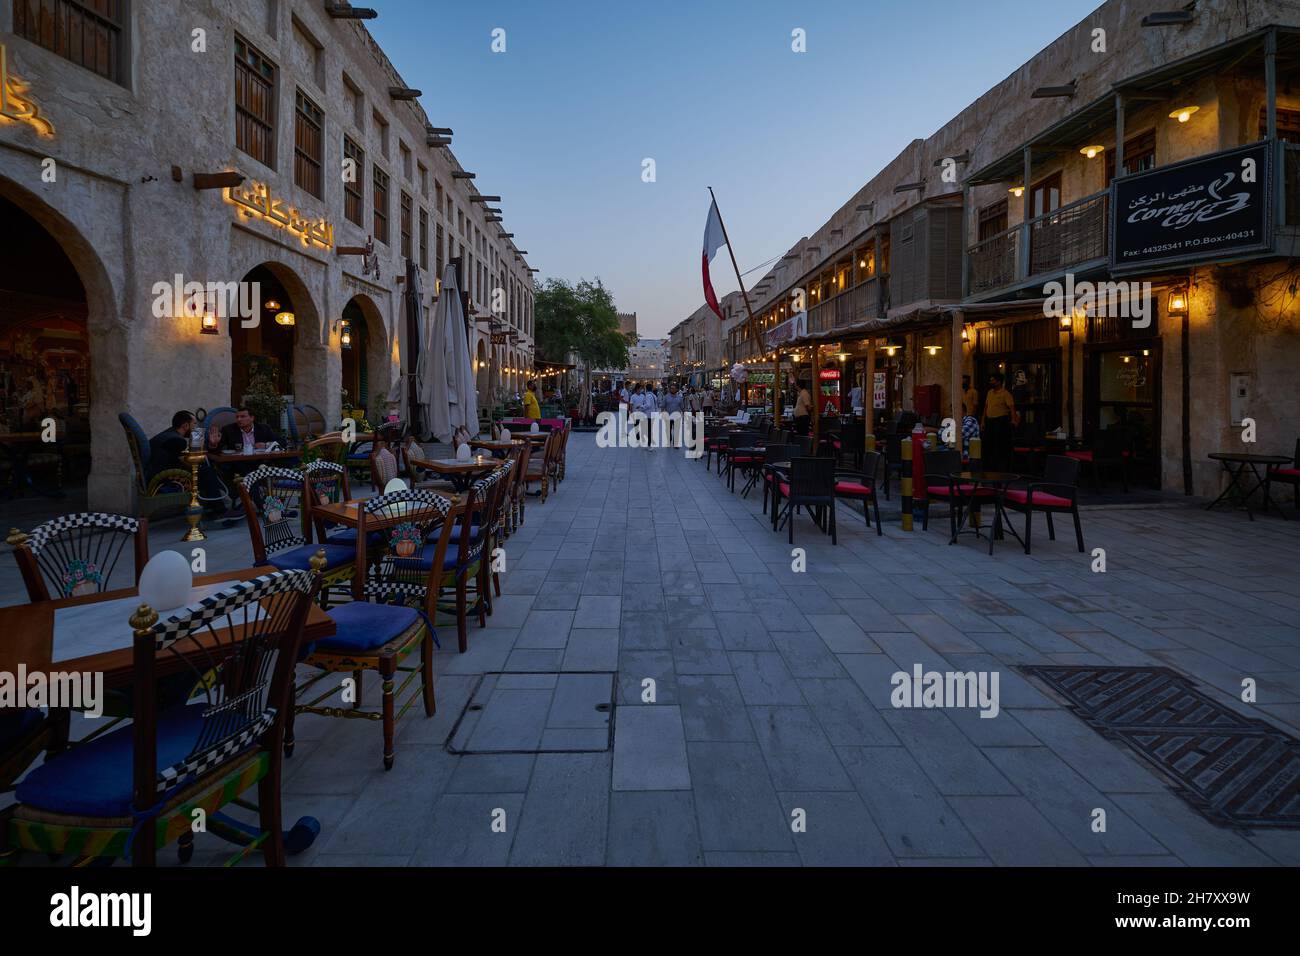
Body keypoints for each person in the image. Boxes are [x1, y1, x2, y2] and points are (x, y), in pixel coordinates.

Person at [150, 410, 228, 515]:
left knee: (205, 470)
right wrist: (199, 447)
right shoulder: (176, 440)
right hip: (164, 480)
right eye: (194, 424)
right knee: (206, 471)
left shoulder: (168, 435)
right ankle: (221, 510)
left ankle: (215, 505)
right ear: (186, 425)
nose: (195, 427)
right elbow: (191, 464)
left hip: (159, 475)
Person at [980, 373, 1017, 470]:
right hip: (990, 422)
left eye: (993, 380)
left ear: (999, 382)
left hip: (1001, 422)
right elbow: (986, 407)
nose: (990, 382)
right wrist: (983, 421)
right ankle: (989, 467)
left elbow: (1012, 408)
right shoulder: (989, 393)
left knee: (999, 445)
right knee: (989, 445)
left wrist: (1013, 420)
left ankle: (1001, 468)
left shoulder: (1005, 394)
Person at [209, 406, 278, 453]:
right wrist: (213, 444)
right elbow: (217, 452)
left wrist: (266, 445)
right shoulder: (228, 430)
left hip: (261, 461)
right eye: (237, 417)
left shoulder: (264, 428)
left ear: (252, 418)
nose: (239, 419)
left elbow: (281, 442)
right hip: (239, 463)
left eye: (243, 416)